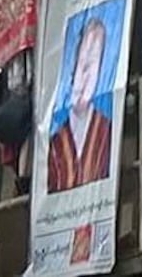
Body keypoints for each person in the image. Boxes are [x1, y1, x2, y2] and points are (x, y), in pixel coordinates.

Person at [48, 17, 112, 193]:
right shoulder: (54, 142)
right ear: (73, 71)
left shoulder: (108, 131)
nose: (85, 78)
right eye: (82, 67)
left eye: (92, 69)